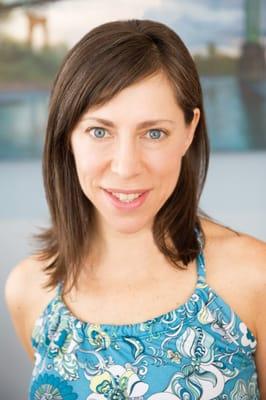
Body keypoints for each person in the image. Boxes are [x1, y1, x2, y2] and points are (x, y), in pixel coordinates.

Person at [4, 19, 266, 399]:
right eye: (99, 131)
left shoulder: (255, 277)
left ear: (190, 130)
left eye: (154, 133)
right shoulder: (29, 289)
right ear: (67, 135)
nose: (126, 167)